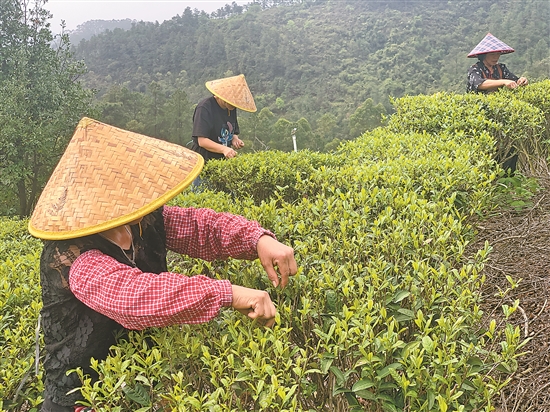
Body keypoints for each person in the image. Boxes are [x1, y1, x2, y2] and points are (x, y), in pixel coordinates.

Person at [28, 117, 297, 412]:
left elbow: (201, 227)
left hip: (137, 380)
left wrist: (257, 239)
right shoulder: (70, 256)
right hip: (82, 396)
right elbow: (132, 295)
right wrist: (227, 293)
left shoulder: (144, 219)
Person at [191, 74, 257, 165]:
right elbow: (202, 141)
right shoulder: (205, 107)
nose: (234, 105)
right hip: (202, 162)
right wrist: (224, 149)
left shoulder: (231, 107)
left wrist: (235, 139)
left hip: (222, 164)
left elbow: (232, 131)